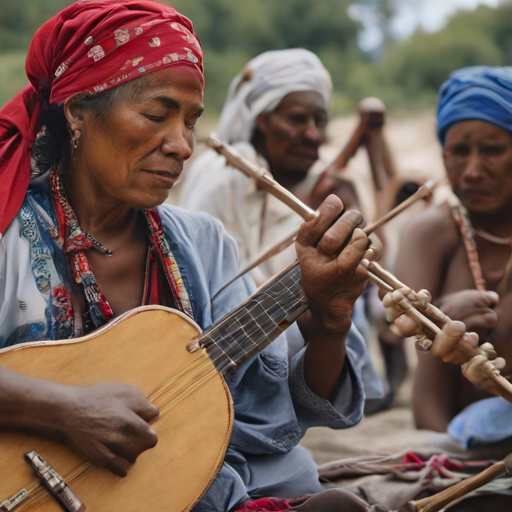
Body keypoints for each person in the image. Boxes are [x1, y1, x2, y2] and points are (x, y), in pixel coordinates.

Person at [0, 4, 498, 511]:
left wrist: (328, 323)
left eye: (191, 121)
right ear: (77, 109)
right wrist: (64, 409)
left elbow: (268, 417)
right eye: (156, 114)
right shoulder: (7, 230)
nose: (183, 145)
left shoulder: (202, 244)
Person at [393, 66, 512, 432]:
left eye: (492, 151)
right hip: (457, 434)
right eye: (459, 152)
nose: (473, 170)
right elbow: (426, 406)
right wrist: (443, 323)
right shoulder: (431, 232)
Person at [178, 49, 362, 282]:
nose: (314, 135)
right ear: (262, 121)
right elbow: (231, 299)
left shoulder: (324, 184)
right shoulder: (225, 180)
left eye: (321, 121)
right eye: (297, 118)